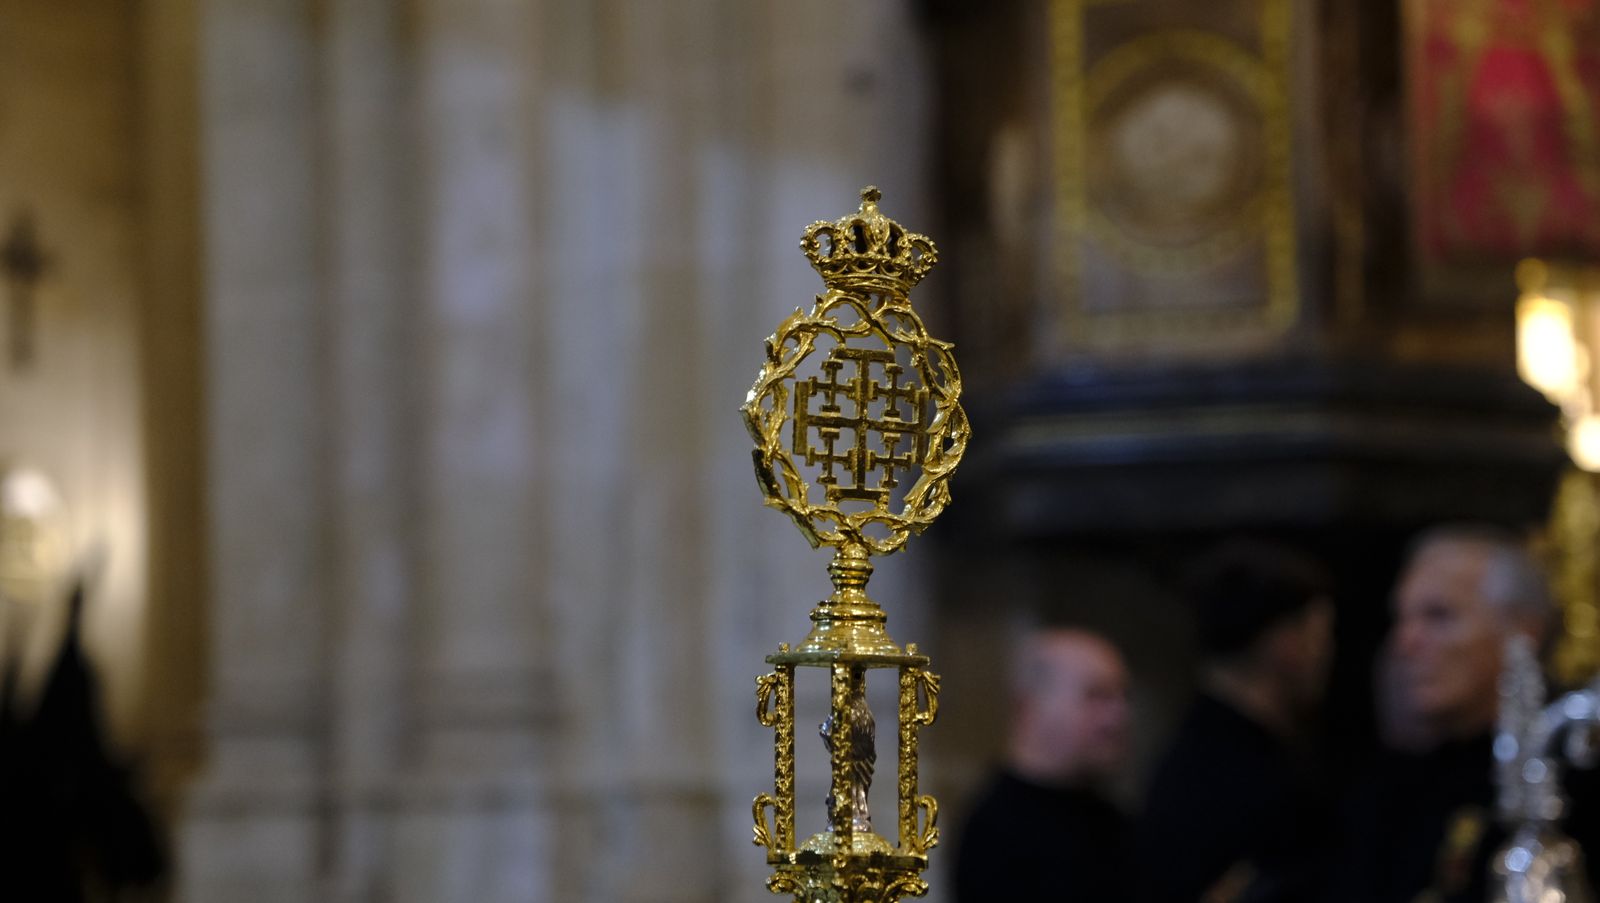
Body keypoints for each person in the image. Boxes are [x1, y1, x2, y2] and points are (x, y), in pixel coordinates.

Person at [1340, 524, 1600, 902]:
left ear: (1522, 631)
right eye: (1401, 618)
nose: (1405, 641)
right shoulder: (1386, 790)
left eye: (1438, 616)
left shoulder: (1573, 781)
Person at [1135, 540, 1335, 903]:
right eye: (1320, 636)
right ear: (1284, 642)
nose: (1326, 655)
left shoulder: (1196, 754)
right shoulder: (1246, 777)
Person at [953, 627, 1132, 903]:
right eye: (1096, 695)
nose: (1117, 717)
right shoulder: (995, 831)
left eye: (1122, 697)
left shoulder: (1112, 822)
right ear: (1029, 706)